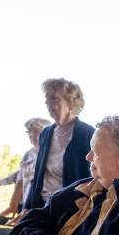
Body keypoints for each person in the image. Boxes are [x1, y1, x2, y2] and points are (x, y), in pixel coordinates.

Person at [24, 78, 94, 210]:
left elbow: (93, 177)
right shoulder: (45, 133)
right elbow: (39, 176)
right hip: (42, 205)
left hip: (71, 207)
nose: (48, 104)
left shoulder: (88, 134)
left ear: (71, 103)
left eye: (54, 98)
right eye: (47, 99)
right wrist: (27, 208)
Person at [0, 117, 52, 218]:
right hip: (25, 205)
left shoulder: (54, 154)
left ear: (46, 132)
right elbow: (20, 180)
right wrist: (13, 206)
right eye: (29, 132)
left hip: (43, 205)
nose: (31, 135)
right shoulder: (28, 154)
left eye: (35, 131)